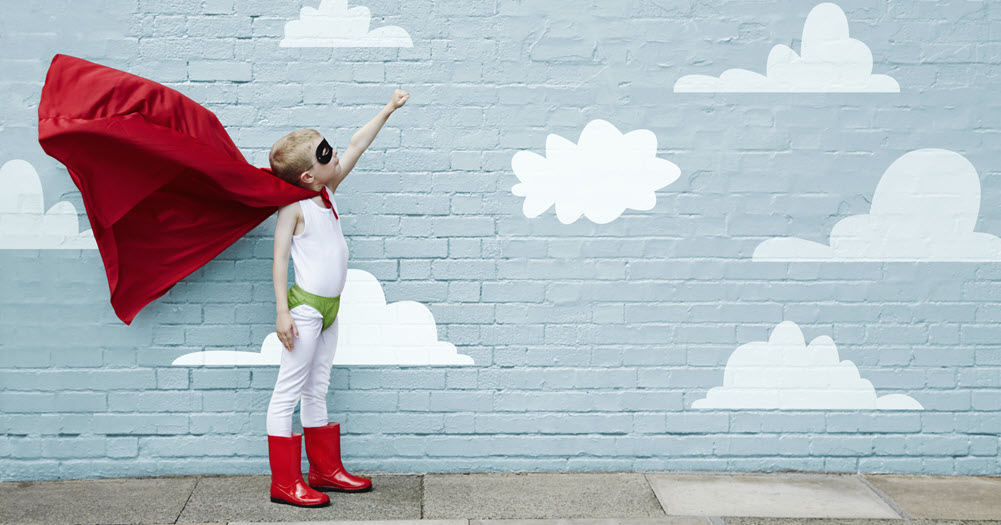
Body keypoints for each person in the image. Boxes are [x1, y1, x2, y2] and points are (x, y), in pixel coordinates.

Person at [264, 89, 409, 508]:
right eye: (323, 153)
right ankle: (284, 482)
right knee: (288, 391)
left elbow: (356, 144)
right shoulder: (294, 208)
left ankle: (324, 470)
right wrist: (282, 313)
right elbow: (277, 263)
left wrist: (387, 110)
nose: (334, 157)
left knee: (317, 387)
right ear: (308, 175)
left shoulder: (324, 193)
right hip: (305, 309)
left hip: (330, 310)